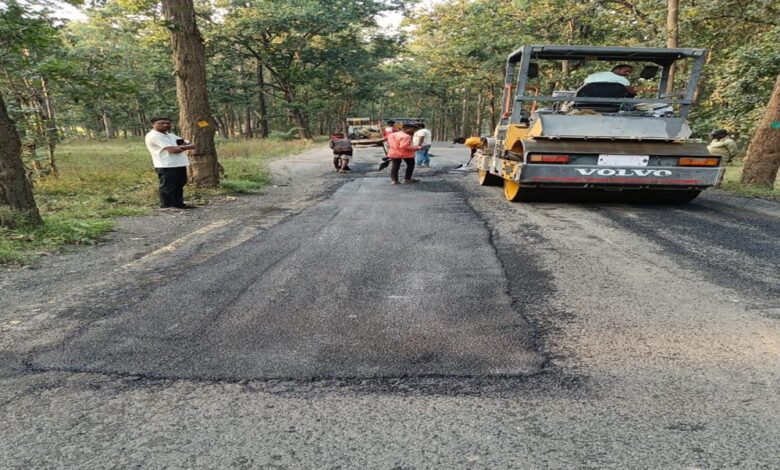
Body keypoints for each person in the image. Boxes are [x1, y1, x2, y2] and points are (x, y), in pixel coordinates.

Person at [144, 117, 196, 209]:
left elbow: (192, 144)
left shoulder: (170, 135)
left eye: (168, 123)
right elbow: (173, 150)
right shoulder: (154, 136)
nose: (165, 125)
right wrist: (183, 147)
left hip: (179, 163)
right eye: (161, 123)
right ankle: (167, 205)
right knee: (168, 185)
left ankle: (178, 204)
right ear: (153, 124)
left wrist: (181, 147)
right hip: (166, 164)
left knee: (179, 184)